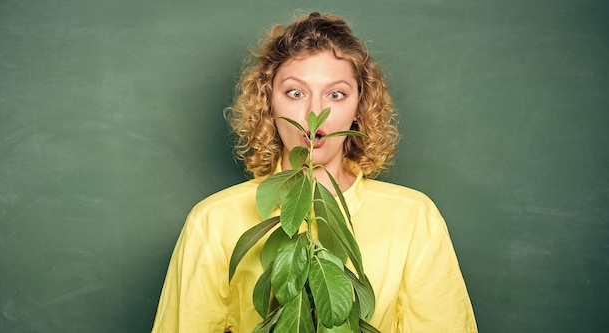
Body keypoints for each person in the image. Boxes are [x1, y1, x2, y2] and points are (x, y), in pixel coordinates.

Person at [151, 12, 478, 332]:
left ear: (358, 108)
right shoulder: (213, 221)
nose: (314, 113)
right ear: (269, 103)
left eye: (336, 94)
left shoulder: (414, 218)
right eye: (295, 93)